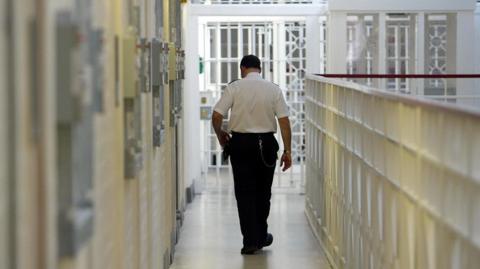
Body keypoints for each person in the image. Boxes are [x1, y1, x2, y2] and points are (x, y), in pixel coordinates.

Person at [211, 55, 292, 255]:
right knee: (263, 193)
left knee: (244, 193)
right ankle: (261, 235)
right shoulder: (274, 89)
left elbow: (216, 115)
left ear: (243, 68)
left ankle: (250, 241)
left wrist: (221, 134)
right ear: (259, 69)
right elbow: (284, 122)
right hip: (266, 146)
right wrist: (287, 151)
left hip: (240, 145)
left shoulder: (234, 87)